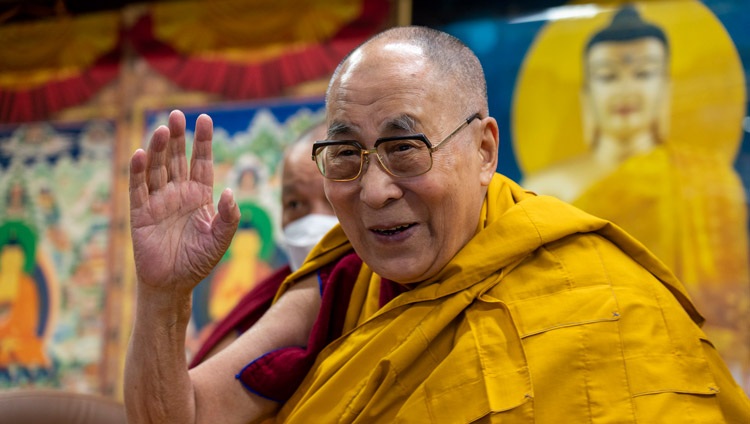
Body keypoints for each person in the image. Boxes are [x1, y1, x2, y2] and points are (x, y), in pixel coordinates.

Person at [125, 26, 750, 423]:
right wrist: (162, 296)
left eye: (405, 148)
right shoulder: (339, 282)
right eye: (345, 154)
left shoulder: (608, 304)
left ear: (484, 150)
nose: (374, 191)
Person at [522, 5, 750, 386]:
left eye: (643, 73)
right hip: (578, 366)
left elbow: (728, 310)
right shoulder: (547, 187)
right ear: (587, 92)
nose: (626, 89)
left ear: (665, 88)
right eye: (608, 76)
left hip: (688, 369)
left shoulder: (708, 182)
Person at [189, 122, 337, 365]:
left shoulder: (388, 290)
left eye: (330, 200)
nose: (314, 220)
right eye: (295, 204)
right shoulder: (266, 299)